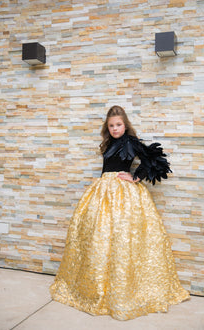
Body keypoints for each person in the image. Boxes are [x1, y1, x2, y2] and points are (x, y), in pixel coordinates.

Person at [50, 105, 190, 320]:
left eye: (119, 125)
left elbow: (152, 159)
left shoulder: (131, 142)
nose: (115, 129)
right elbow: (106, 167)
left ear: (125, 125)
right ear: (108, 127)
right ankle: (98, 286)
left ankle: (123, 286)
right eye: (111, 126)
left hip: (122, 193)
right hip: (102, 191)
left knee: (123, 235)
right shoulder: (108, 143)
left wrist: (135, 177)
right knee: (100, 235)